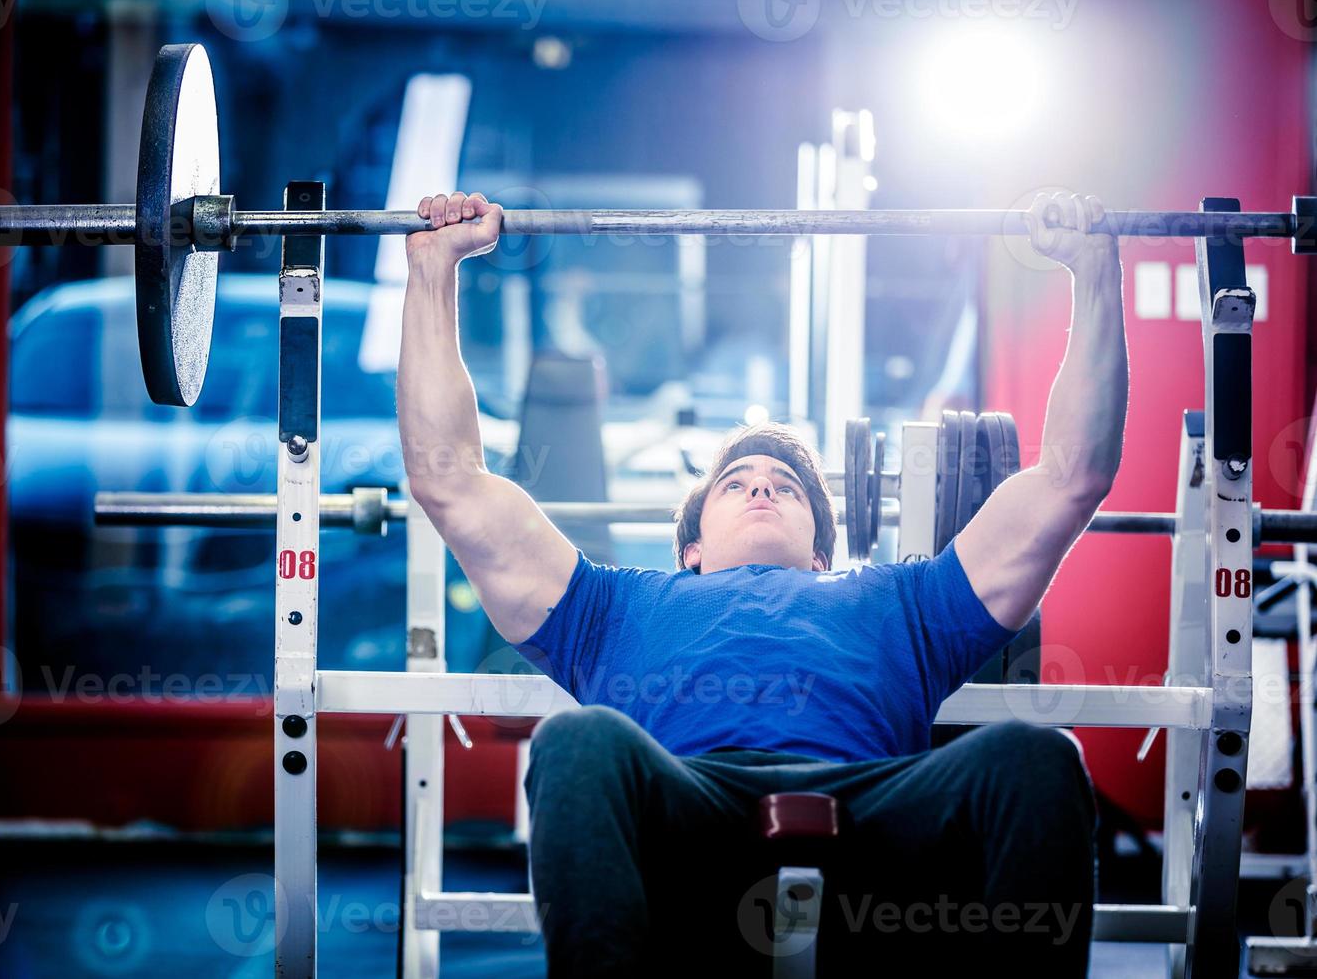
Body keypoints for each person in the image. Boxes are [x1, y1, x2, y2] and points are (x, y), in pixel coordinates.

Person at [399, 189, 1124, 977]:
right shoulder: (614, 607)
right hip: (686, 806)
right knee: (576, 742)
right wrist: (433, 272)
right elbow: (453, 484)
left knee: (1036, 756)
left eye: (785, 484)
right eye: (736, 482)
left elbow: (1069, 478)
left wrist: (1093, 274)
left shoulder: (900, 601)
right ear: (691, 549)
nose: (761, 488)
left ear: (823, 552)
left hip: (876, 806)